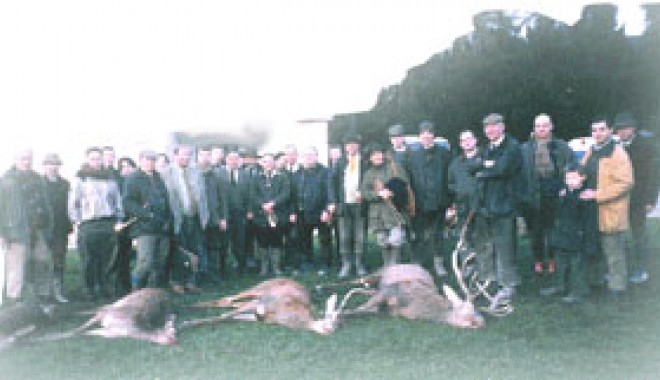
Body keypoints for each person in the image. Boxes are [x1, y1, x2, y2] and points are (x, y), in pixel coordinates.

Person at [471, 113, 522, 307]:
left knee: (505, 246)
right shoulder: (487, 148)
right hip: (487, 205)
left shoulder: (512, 146)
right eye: (487, 127)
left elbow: (503, 169)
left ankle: (508, 285)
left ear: (502, 127)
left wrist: (484, 169)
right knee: (487, 245)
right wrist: (486, 166)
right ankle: (490, 280)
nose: (490, 130)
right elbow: (471, 166)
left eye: (494, 126)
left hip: (504, 205)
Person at [580, 117, 634, 296]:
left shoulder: (618, 153)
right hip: (591, 210)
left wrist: (598, 195)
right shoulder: (590, 151)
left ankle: (617, 286)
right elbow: (582, 172)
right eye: (594, 130)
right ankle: (597, 281)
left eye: (602, 129)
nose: (598, 133)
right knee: (593, 247)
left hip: (610, 210)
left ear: (610, 131)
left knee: (613, 250)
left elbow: (626, 182)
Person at [519, 114, 575, 275]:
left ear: (551, 127)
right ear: (534, 128)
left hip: (555, 193)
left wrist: (566, 186)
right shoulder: (525, 149)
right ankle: (538, 260)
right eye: (538, 126)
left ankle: (552, 260)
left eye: (544, 125)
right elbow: (520, 174)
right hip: (533, 195)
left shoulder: (562, 146)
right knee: (535, 231)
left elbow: (572, 166)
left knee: (553, 229)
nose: (541, 129)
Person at [69, 146, 124, 300]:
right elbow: (74, 202)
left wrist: (119, 219)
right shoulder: (80, 178)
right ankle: (90, 289)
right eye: (92, 158)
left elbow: (117, 200)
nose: (96, 161)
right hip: (88, 224)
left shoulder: (109, 178)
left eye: (98, 158)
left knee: (109, 258)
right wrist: (77, 221)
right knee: (89, 259)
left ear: (102, 160)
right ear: (87, 159)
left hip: (107, 223)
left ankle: (108, 288)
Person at [0, 148, 53, 305]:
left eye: (29, 159)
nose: (26, 162)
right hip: (16, 231)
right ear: (15, 160)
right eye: (23, 159)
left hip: (38, 229)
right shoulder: (6, 181)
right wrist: (1, 233)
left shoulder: (38, 179)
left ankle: (42, 296)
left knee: (42, 261)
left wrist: (48, 226)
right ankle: (13, 299)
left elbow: (46, 204)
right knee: (16, 267)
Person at [613, 112, 660, 284]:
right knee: (617, 235)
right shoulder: (615, 146)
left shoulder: (645, 146)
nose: (622, 132)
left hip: (639, 199)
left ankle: (642, 269)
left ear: (633, 128)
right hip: (618, 199)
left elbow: (653, 175)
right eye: (619, 129)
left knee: (638, 234)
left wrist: (650, 200)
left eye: (625, 128)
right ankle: (620, 269)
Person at [542, 164, 598, 303]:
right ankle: (560, 286)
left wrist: (588, 240)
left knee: (577, 264)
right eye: (567, 177)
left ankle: (578, 291)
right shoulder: (564, 193)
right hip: (563, 234)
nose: (569, 180)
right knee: (561, 261)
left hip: (578, 236)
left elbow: (589, 220)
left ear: (583, 178)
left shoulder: (586, 196)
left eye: (573, 177)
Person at [160, 144, 210, 294]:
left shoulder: (196, 172)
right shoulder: (165, 174)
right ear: (175, 156)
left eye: (188, 155)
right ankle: (176, 281)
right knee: (180, 252)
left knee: (195, 250)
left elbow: (203, 197)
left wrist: (205, 216)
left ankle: (191, 282)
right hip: (177, 219)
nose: (185, 158)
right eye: (182, 155)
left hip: (195, 218)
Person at [405, 121, 452, 276]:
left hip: (439, 201)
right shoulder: (412, 154)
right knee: (419, 234)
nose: (427, 136)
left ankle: (438, 263)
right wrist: (411, 201)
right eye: (424, 133)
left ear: (434, 135)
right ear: (420, 136)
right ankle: (418, 264)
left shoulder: (444, 153)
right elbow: (409, 179)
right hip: (419, 202)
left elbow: (449, 177)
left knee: (437, 234)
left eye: (430, 132)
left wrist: (449, 202)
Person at [122, 150, 173, 290]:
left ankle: (152, 295)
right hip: (144, 228)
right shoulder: (133, 178)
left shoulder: (158, 178)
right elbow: (128, 202)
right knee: (146, 263)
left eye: (153, 160)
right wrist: (145, 214)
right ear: (140, 161)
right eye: (147, 159)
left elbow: (166, 200)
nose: (150, 162)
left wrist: (168, 220)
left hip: (162, 227)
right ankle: (136, 291)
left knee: (160, 263)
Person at [361, 142, 409, 268]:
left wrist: (392, 191)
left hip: (395, 211)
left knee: (396, 240)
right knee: (383, 241)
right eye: (374, 155)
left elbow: (405, 186)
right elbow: (364, 192)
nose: (377, 157)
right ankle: (386, 266)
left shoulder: (394, 168)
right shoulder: (368, 174)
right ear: (370, 158)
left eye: (379, 153)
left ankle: (395, 266)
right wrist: (378, 194)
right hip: (377, 214)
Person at [291, 146, 334, 274]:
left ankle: (326, 265)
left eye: (311, 155)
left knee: (324, 240)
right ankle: (307, 263)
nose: (308, 158)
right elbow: (292, 195)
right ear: (302, 158)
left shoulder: (325, 172)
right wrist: (293, 211)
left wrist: (327, 209)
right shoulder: (297, 174)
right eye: (306, 156)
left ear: (316, 157)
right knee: (304, 240)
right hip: (302, 212)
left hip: (321, 212)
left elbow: (329, 191)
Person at [331, 133, 368, 278]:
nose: (351, 147)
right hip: (344, 205)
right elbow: (332, 184)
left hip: (359, 204)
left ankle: (359, 264)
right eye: (348, 145)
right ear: (345, 147)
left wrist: (363, 193)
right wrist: (333, 202)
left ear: (358, 146)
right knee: (344, 236)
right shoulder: (339, 162)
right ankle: (346, 264)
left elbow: (370, 181)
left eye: (354, 144)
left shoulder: (364, 161)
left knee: (359, 236)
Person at [250, 153, 290, 276]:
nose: (268, 164)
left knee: (276, 240)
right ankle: (264, 268)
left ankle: (276, 267)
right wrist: (263, 205)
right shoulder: (255, 178)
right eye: (265, 162)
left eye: (270, 161)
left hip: (277, 214)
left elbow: (286, 193)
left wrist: (273, 203)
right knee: (262, 241)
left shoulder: (282, 177)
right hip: (261, 215)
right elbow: (252, 194)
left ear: (274, 163)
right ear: (262, 163)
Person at [214, 149, 252, 275]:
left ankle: (241, 267)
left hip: (240, 215)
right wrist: (220, 217)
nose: (233, 161)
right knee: (224, 244)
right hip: (225, 215)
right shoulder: (218, 174)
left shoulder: (244, 174)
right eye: (231, 159)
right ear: (226, 160)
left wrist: (249, 210)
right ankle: (222, 269)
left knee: (240, 242)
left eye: (236, 159)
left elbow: (249, 194)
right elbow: (216, 197)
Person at [42, 153, 72, 303]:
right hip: (43, 229)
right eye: (49, 164)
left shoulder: (65, 184)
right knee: (42, 261)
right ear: (44, 166)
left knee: (59, 260)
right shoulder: (39, 183)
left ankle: (58, 291)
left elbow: (69, 206)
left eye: (55, 164)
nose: (53, 167)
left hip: (61, 228)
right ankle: (44, 293)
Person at [197, 145, 227, 285]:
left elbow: (222, 198)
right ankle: (200, 275)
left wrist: (223, 218)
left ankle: (214, 274)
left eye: (208, 155)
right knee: (198, 247)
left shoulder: (216, 174)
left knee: (214, 247)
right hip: (197, 219)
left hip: (214, 217)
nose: (205, 158)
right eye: (202, 155)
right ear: (197, 156)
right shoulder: (193, 173)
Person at [448, 130, 481, 250]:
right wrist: (459, 191)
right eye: (463, 140)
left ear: (475, 140)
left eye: (469, 139)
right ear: (461, 144)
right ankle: (467, 267)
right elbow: (450, 184)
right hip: (463, 208)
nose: (466, 142)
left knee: (482, 239)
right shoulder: (455, 163)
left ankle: (484, 267)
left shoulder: (484, 158)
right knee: (464, 239)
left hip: (482, 208)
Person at [113, 156, 137, 296]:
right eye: (123, 167)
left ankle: (131, 283)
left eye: (129, 166)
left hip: (135, 222)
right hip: (123, 224)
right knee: (120, 255)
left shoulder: (136, 182)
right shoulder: (118, 184)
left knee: (130, 256)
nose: (126, 169)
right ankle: (121, 284)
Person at [281, 144, 303, 272]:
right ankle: (286, 262)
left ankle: (297, 264)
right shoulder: (281, 171)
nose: (290, 157)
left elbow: (296, 194)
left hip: (296, 211)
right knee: (285, 238)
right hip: (283, 211)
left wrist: (293, 211)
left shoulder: (301, 171)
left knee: (296, 238)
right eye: (287, 154)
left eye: (292, 154)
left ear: (296, 155)